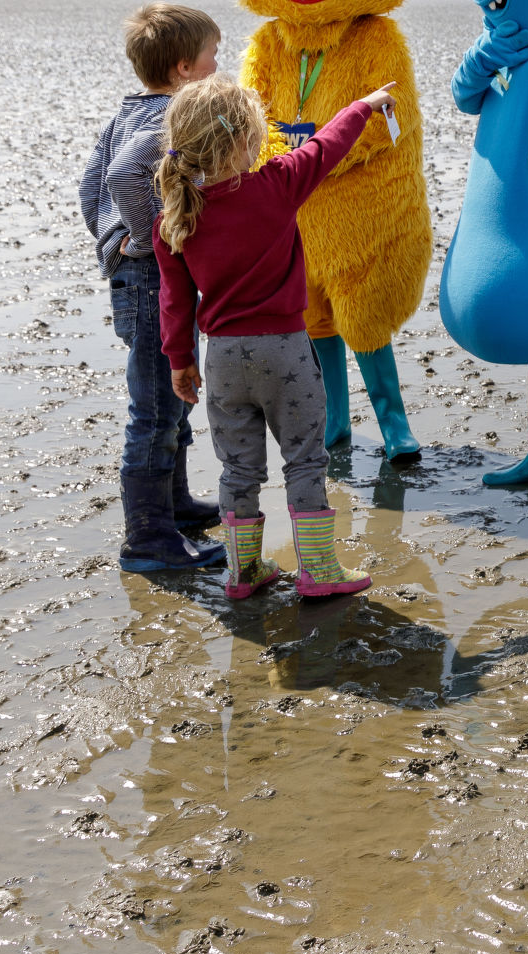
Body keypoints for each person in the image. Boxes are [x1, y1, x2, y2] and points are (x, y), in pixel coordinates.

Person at [155, 75, 396, 601]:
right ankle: (320, 571)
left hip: (221, 360)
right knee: (305, 460)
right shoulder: (276, 184)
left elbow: (174, 302)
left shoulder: (174, 216)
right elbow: (325, 146)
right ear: (244, 140)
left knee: (238, 468)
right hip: (285, 350)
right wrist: (364, 105)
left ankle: (244, 573)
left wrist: (180, 361)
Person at [79, 2, 227, 574]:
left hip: (136, 271)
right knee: (157, 406)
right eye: (214, 54)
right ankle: (147, 540)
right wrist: (147, 238)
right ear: (185, 68)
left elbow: (90, 182)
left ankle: (175, 506)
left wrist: (107, 238)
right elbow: (121, 175)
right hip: (146, 275)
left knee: (173, 392)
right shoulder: (173, 113)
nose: (221, 63)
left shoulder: (130, 108)